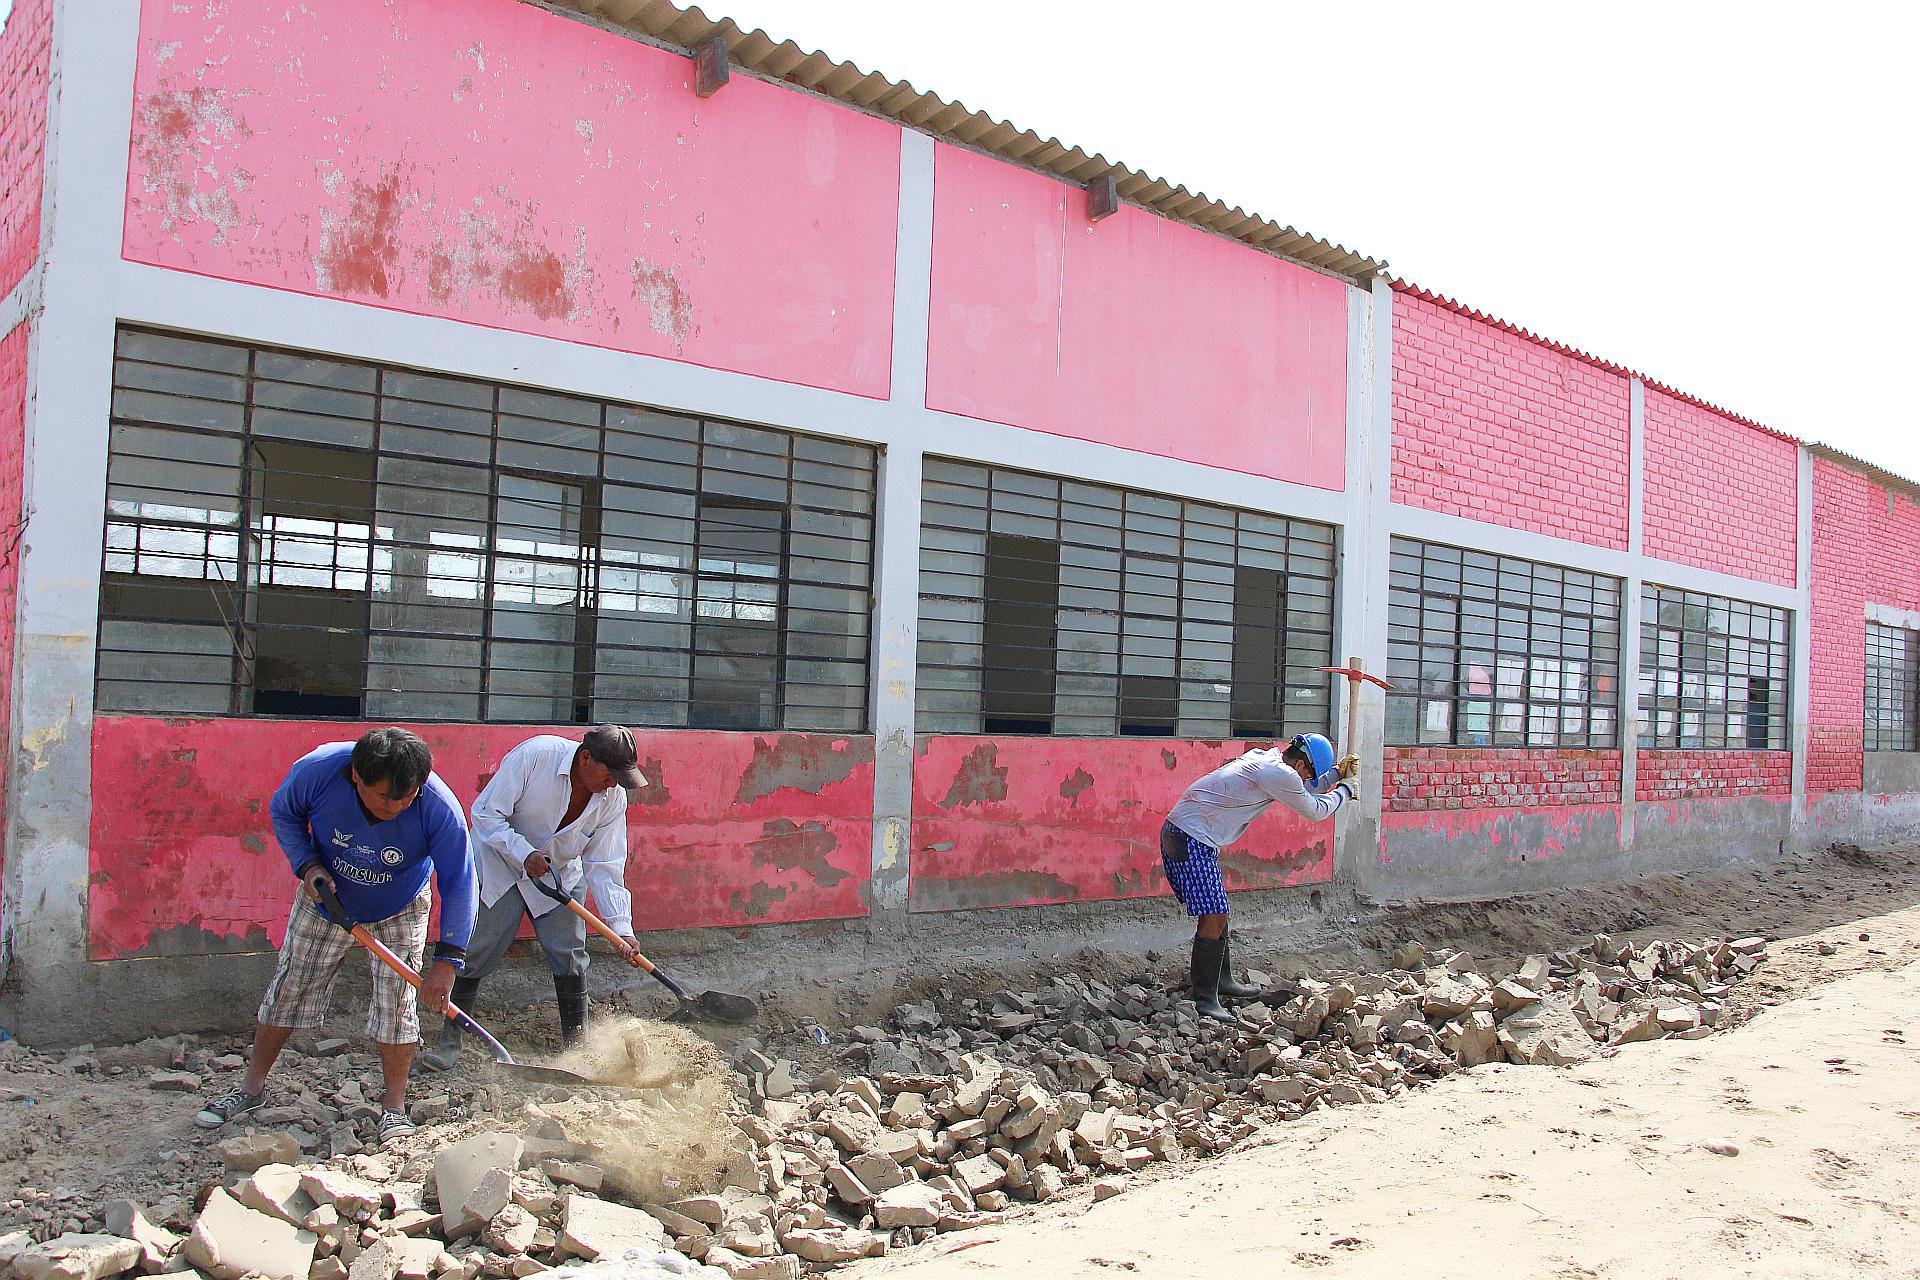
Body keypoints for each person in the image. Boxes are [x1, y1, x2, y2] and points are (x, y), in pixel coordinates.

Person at [196, 728, 475, 1146]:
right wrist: (307, 866)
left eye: (406, 798)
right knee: (289, 989)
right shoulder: (319, 772)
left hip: (400, 904)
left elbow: (460, 882)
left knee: (397, 1006)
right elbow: (284, 812)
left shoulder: (438, 807)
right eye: (384, 798)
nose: (396, 807)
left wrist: (447, 962)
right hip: (327, 899)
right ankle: (250, 1089)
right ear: (356, 778)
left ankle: (394, 1109)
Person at [421, 725, 645, 1070]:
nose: (613, 783)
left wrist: (621, 928)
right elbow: (485, 814)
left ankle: (577, 1051)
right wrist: (523, 853)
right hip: (502, 864)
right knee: (477, 949)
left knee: (569, 955)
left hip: (558, 875)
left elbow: (605, 864)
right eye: (610, 773)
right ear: (585, 758)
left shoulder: (612, 798)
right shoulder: (536, 756)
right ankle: (450, 1042)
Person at [1162, 732, 1358, 1024]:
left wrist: (1335, 775)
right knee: (1214, 913)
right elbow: (1315, 809)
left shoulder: (1266, 758)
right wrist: (1346, 789)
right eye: (1308, 776)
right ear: (1302, 767)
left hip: (1186, 832)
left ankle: (1222, 981)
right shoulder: (1280, 775)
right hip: (1189, 837)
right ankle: (1204, 999)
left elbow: (1307, 787)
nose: (1306, 782)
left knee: (1218, 911)